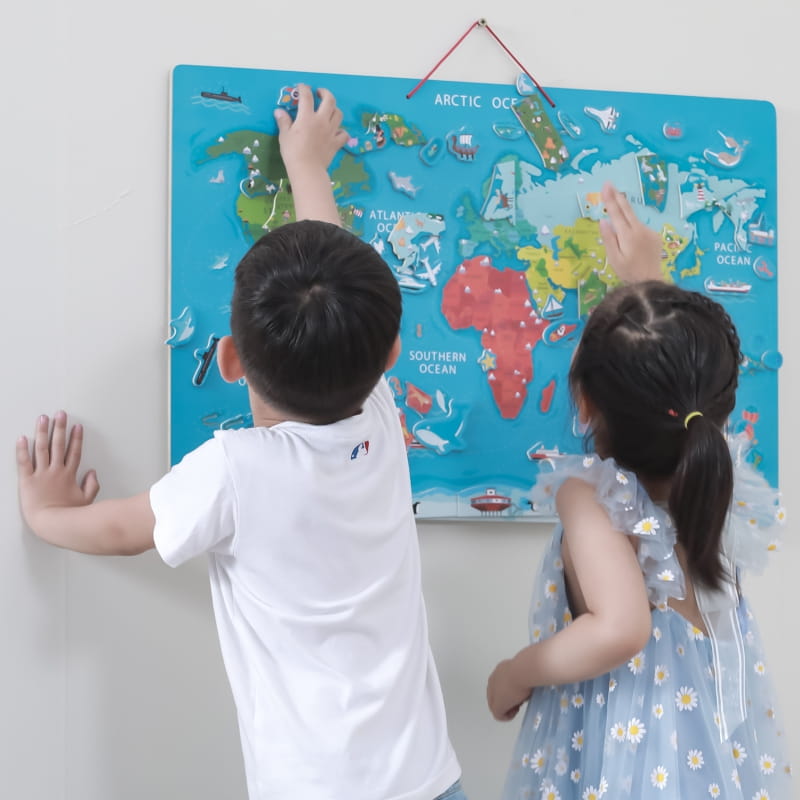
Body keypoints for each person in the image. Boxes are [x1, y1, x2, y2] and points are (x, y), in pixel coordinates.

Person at [16, 85, 466, 800]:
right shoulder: (380, 420)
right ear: (391, 358)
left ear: (228, 360)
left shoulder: (234, 470)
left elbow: (123, 530)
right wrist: (308, 167)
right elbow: (336, 285)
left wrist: (45, 515)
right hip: (427, 777)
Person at [487, 186, 790, 799]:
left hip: (630, 764)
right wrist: (651, 284)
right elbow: (683, 380)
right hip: (710, 755)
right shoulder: (718, 468)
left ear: (584, 404)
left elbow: (621, 628)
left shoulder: (588, 497)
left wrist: (515, 674)